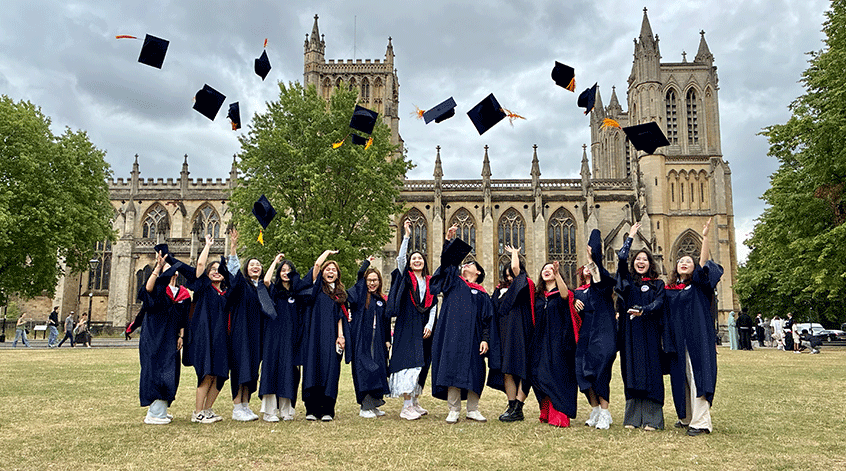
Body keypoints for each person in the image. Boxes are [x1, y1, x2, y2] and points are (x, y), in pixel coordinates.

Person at [664, 217, 723, 436]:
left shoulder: (699, 286)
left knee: (698, 376)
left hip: (698, 338)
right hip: (678, 340)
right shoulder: (671, 289)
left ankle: (701, 422)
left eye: (689, 261)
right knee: (682, 377)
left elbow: (703, 264)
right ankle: (687, 417)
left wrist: (705, 237)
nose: (684, 263)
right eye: (681, 261)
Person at [429, 225, 492, 424]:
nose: (465, 265)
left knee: (475, 371)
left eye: (470, 264)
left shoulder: (482, 293)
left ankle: (473, 409)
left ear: (478, 272)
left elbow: (487, 319)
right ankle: (454, 410)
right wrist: (448, 241)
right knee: (451, 369)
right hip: (452, 335)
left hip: (473, 339)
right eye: (465, 263)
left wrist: (485, 339)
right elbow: (447, 263)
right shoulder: (453, 282)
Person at [218, 228, 273, 421]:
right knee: (240, 367)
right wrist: (233, 248)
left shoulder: (264, 289)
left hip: (257, 334)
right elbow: (233, 271)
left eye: (258, 265)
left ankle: (246, 405)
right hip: (241, 333)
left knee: (251, 370)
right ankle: (237, 407)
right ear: (247, 269)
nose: (255, 267)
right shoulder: (242, 284)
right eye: (252, 265)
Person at [615, 222, 666, 430]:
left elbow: (660, 303)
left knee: (652, 372)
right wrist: (630, 237)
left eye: (645, 259)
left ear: (650, 263)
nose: (641, 262)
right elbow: (620, 259)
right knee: (632, 371)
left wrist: (644, 310)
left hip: (651, 333)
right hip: (631, 334)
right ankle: (633, 418)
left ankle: (653, 419)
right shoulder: (628, 282)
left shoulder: (658, 284)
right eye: (638, 259)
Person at [386, 219, 438, 420]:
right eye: (414, 258)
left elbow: (433, 305)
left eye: (420, 258)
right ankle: (406, 405)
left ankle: (415, 401)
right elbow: (399, 259)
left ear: (424, 262)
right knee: (408, 362)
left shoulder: (429, 281)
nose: (417, 261)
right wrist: (406, 236)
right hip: (407, 324)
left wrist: (430, 325)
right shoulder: (405, 277)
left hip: (423, 325)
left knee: (422, 364)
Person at [177, 234, 228, 424]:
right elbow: (199, 267)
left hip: (221, 338)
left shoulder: (225, 292)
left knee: (220, 375)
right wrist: (207, 245)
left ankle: (207, 409)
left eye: (219, 270)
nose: (216, 272)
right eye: (212, 269)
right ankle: (197, 412)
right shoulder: (204, 287)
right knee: (206, 374)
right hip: (204, 337)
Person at [137, 250, 189, 425]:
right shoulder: (159, 288)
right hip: (154, 336)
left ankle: (162, 410)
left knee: (170, 370)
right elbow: (147, 289)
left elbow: (182, 316)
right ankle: (154, 414)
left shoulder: (182, 293)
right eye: (167, 266)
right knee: (155, 369)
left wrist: (181, 335)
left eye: (171, 266)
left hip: (170, 336)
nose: (170, 269)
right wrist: (157, 268)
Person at [573, 230, 617, 430]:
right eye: (585, 268)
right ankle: (595, 409)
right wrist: (574, 303)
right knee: (582, 372)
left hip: (604, 333)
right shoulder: (579, 293)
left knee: (601, 371)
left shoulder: (603, 287)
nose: (588, 270)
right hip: (586, 335)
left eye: (590, 268)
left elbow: (599, 278)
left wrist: (593, 259)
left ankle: (605, 412)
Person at [300, 249, 350, 421]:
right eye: (327, 269)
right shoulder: (316, 289)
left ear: (337, 275)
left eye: (334, 270)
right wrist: (326, 254)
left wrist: (341, 336)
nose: (330, 272)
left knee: (330, 370)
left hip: (331, 337)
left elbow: (340, 317)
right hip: (313, 336)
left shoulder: (340, 294)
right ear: (322, 273)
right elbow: (316, 265)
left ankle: (328, 409)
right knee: (313, 369)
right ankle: (311, 409)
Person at [260, 253, 310, 422]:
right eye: (283, 270)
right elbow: (266, 281)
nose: (285, 273)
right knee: (272, 369)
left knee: (288, 371)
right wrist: (275, 261)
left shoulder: (297, 293)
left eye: (288, 270)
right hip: (274, 336)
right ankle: (270, 411)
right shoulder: (274, 290)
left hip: (291, 337)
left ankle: (286, 409)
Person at [530, 260, 581, 427]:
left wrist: (558, 274)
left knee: (557, 376)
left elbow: (565, 295)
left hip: (560, 341)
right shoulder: (538, 296)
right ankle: (546, 410)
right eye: (544, 269)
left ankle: (558, 414)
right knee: (540, 375)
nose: (547, 271)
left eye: (550, 269)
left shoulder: (563, 293)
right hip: (540, 341)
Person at [487, 245, 535, 422]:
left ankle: (519, 406)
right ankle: (512, 406)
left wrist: (515, 253)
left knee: (523, 370)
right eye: (506, 275)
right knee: (506, 370)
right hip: (503, 336)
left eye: (511, 274)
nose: (509, 277)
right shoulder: (499, 290)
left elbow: (517, 271)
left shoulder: (524, 285)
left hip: (521, 333)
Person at [346, 256, 391, 418]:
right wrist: (365, 263)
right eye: (369, 280)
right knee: (364, 371)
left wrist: (387, 340)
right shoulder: (359, 297)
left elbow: (385, 323)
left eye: (375, 280)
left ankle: (375, 404)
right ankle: (365, 407)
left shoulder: (381, 300)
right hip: (361, 340)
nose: (372, 283)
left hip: (377, 341)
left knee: (378, 370)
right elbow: (359, 276)